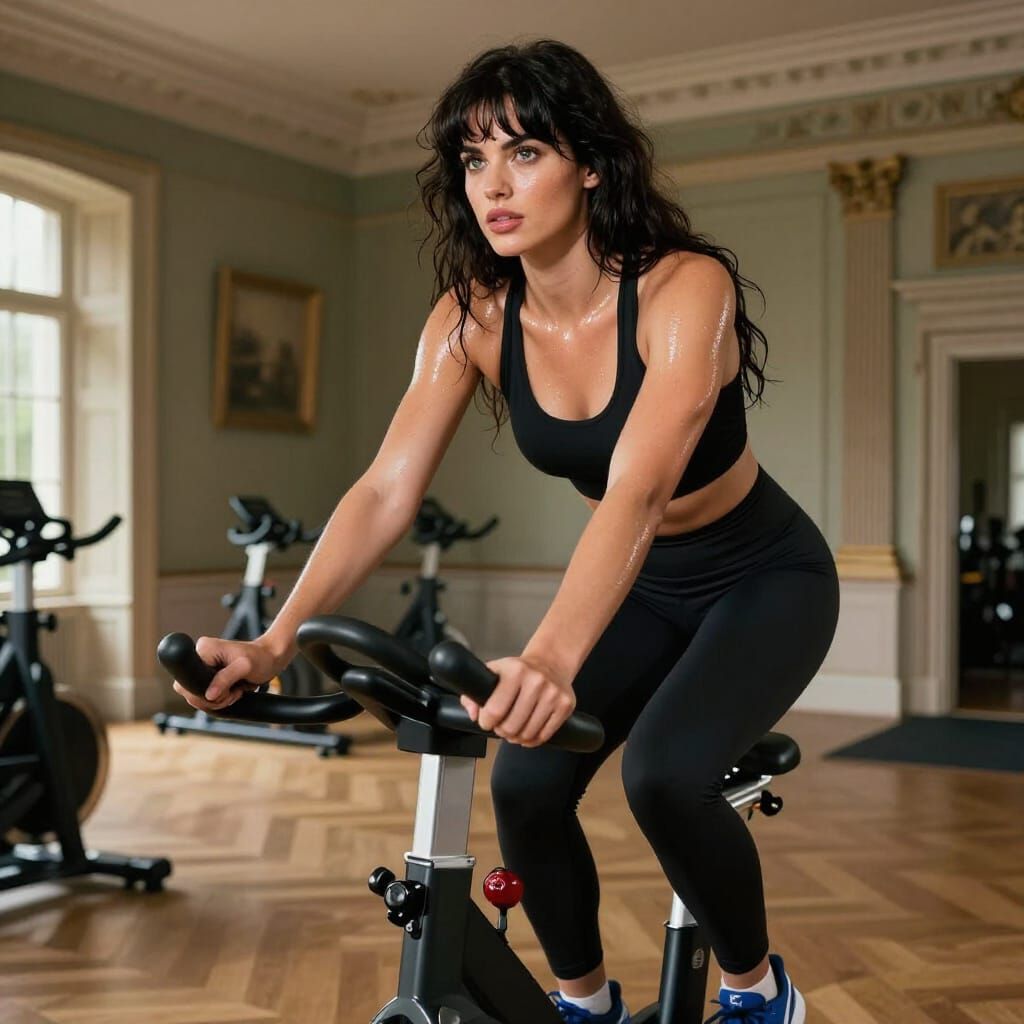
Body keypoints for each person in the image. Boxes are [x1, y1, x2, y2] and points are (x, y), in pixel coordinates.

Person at [174, 38, 838, 1024]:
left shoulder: (681, 287)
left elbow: (640, 490)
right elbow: (382, 491)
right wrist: (273, 640)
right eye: (473, 159)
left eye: (524, 152)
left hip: (762, 575)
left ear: (591, 165)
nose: (494, 183)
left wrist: (552, 656)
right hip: (643, 583)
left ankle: (755, 990)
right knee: (525, 781)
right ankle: (584, 1003)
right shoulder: (471, 316)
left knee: (664, 774)